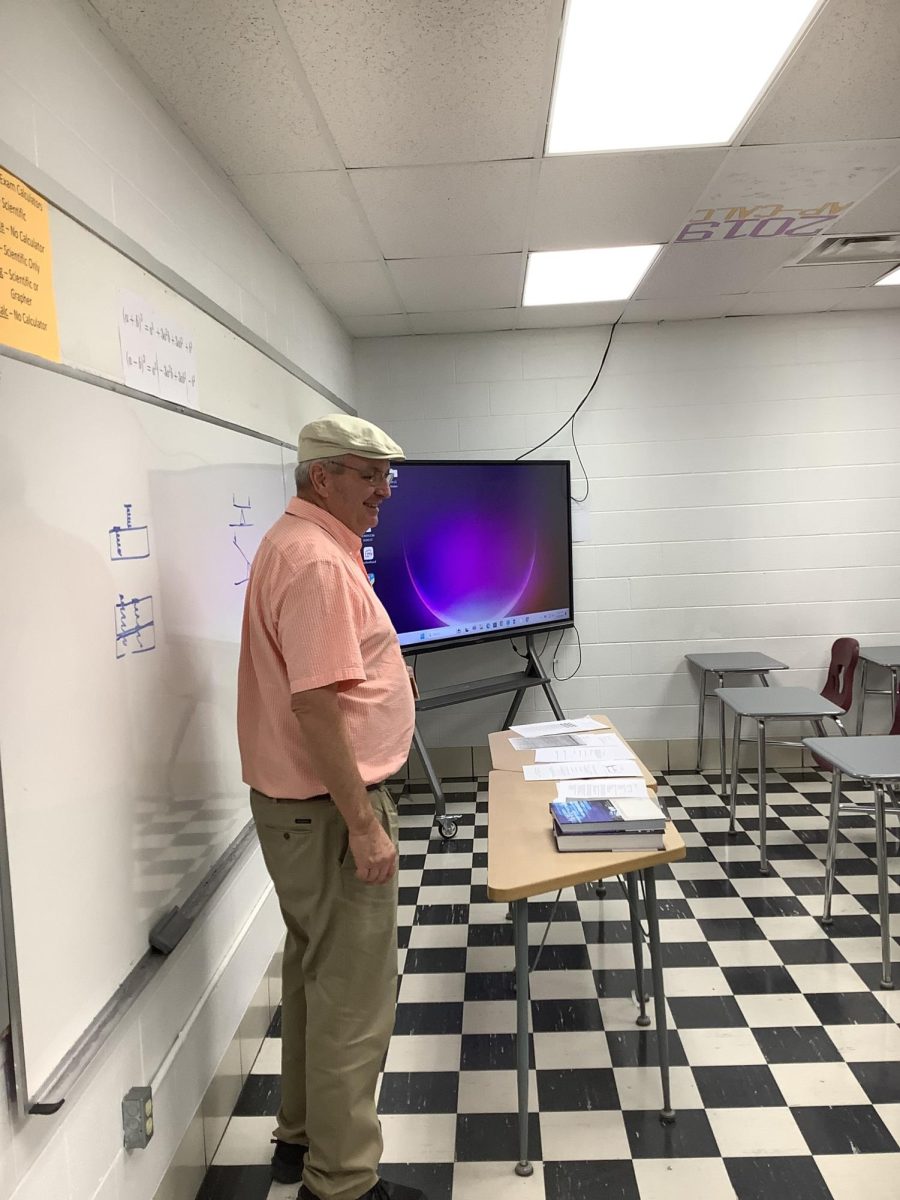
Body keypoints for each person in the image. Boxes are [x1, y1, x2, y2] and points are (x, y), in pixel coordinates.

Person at [237, 414, 424, 1200]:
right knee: (352, 998)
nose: (384, 490)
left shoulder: (303, 543)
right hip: (326, 814)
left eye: (387, 475)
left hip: (299, 811)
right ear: (322, 478)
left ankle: (301, 1140)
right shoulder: (315, 561)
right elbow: (315, 706)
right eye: (368, 474)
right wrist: (363, 822)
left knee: (319, 978)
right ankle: (342, 1184)